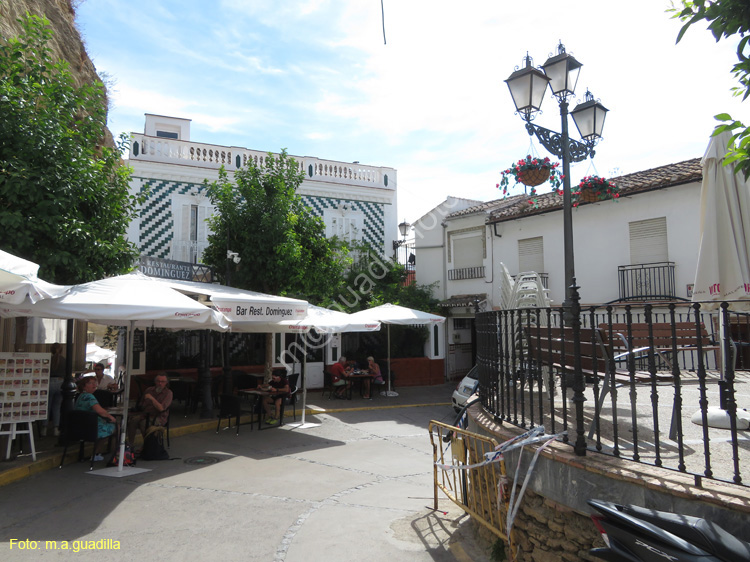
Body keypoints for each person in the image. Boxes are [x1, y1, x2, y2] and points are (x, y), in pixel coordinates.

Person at [74, 374, 118, 460]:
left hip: (81, 426)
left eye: (94, 383)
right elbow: (100, 411)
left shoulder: (80, 396)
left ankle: (97, 452)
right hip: (90, 427)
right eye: (90, 383)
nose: (94, 385)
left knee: (108, 426)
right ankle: (116, 453)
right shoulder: (89, 397)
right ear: (84, 387)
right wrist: (111, 417)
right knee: (116, 427)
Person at [126, 373, 173, 447]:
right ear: (155, 382)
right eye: (158, 381)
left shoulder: (168, 393)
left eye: (162, 382)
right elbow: (141, 404)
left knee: (144, 423)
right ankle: (130, 445)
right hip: (145, 414)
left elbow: (161, 409)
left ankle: (147, 446)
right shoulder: (149, 390)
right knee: (132, 421)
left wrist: (151, 398)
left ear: (166, 383)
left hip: (158, 417)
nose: (160, 383)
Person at [43, 342, 66, 437]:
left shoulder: (48, 360)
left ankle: (44, 428)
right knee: (57, 407)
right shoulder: (64, 360)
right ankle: (56, 428)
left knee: (46, 407)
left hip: (49, 382)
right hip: (60, 383)